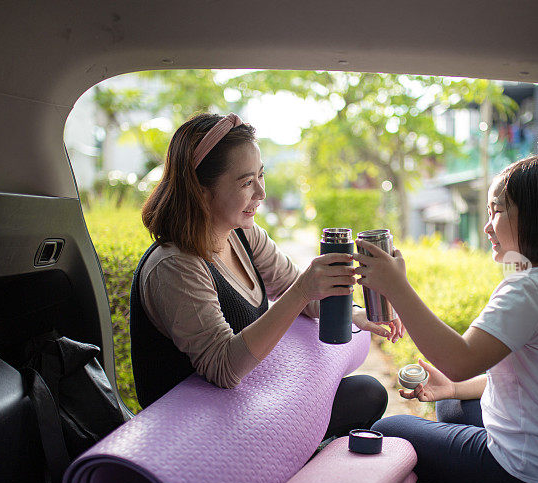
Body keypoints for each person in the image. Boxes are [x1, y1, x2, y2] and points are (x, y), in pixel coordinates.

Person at [356, 155, 538, 483]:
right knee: (451, 405)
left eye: (497, 211)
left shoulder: (527, 290)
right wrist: (453, 387)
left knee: (387, 432)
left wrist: (397, 286)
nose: (487, 226)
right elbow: (523, 380)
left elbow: (460, 360)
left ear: (537, 217)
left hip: (534, 473)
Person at [130, 112, 399, 440]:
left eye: (261, 175)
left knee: (368, 392)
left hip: (244, 400)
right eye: (246, 182)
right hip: (194, 432)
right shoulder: (175, 266)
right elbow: (224, 368)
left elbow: (299, 290)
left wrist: (357, 313)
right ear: (201, 191)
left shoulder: (241, 234)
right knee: (361, 399)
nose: (261, 192)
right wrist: (302, 291)